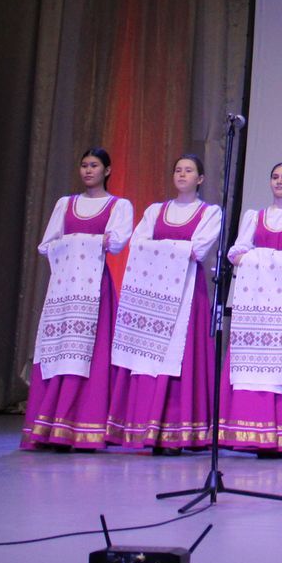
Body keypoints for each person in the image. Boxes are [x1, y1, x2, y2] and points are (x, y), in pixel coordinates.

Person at [106, 153, 224, 449]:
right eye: (178, 170)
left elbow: (198, 249)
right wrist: (175, 248)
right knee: (147, 359)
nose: (182, 174)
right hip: (152, 296)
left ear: (200, 179)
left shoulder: (209, 213)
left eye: (189, 171)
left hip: (187, 293)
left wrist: (159, 248)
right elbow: (138, 243)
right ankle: (142, 425)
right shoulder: (156, 211)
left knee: (180, 358)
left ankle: (176, 430)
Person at [22, 149, 135, 449]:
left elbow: (117, 243)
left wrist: (82, 241)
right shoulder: (66, 204)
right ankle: (50, 425)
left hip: (95, 289)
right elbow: (46, 245)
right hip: (64, 289)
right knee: (59, 350)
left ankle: (83, 426)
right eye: (84, 165)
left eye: (94, 165)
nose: (88, 170)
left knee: (90, 356)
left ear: (107, 170)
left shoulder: (118, 206)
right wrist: (90, 240)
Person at [218, 162, 282, 452]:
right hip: (254, 303)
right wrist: (273, 256)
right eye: (275, 177)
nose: (279, 181)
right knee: (248, 361)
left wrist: (261, 256)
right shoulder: (255, 217)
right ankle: (246, 430)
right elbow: (236, 253)